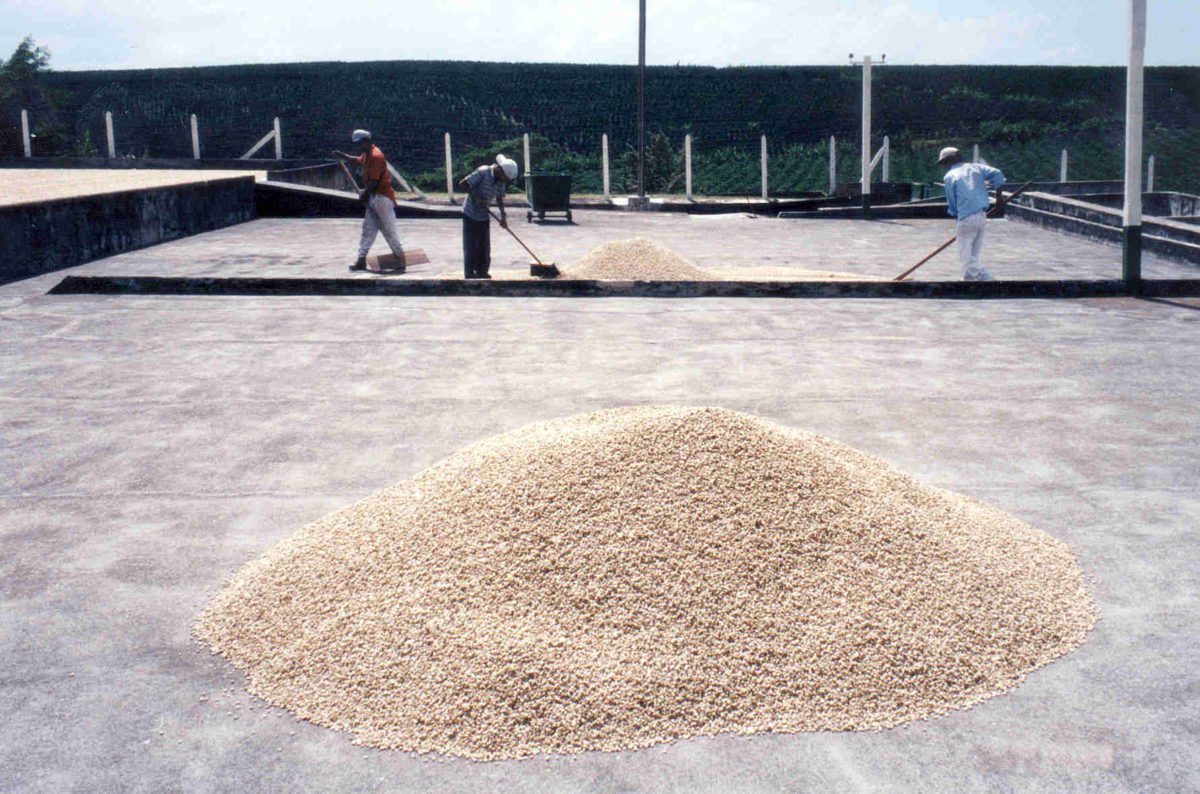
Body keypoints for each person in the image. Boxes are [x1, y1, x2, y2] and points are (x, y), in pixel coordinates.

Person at [332, 130, 405, 272]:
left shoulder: (376, 156)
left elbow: (374, 181)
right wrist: (342, 156)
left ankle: (400, 259)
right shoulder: (367, 154)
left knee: (388, 229)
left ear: (366, 141)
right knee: (368, 230)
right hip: (374, 197)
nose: (357, 147)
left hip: (382, 198)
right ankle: (361, 260)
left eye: (359, 144)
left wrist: (364, 193)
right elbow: (356, 160)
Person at [939, 147, 1006, 281]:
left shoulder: (949, 176)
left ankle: (984, 277)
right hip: (981, 215)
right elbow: (997, 174)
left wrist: (956, 216)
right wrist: (999, 199)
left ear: (949, 161)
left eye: (944, 163)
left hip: (966, 217)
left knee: (965, 254)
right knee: (973, 252)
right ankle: (969, 278)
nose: (943, 167)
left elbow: (952, 203)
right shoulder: (976, 168)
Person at [458, 154, 517, 279]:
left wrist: (503, 217)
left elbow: (499, 199)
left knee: (484, 247)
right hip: (470, 213)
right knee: (471, 245)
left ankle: (482, 272)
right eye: (505, 178)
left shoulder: (501, 181)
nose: (505, 181)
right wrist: (477, 198)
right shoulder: (483, 172)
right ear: (499, 170)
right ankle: (469, 273)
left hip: (484, 215)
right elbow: (463, 184)